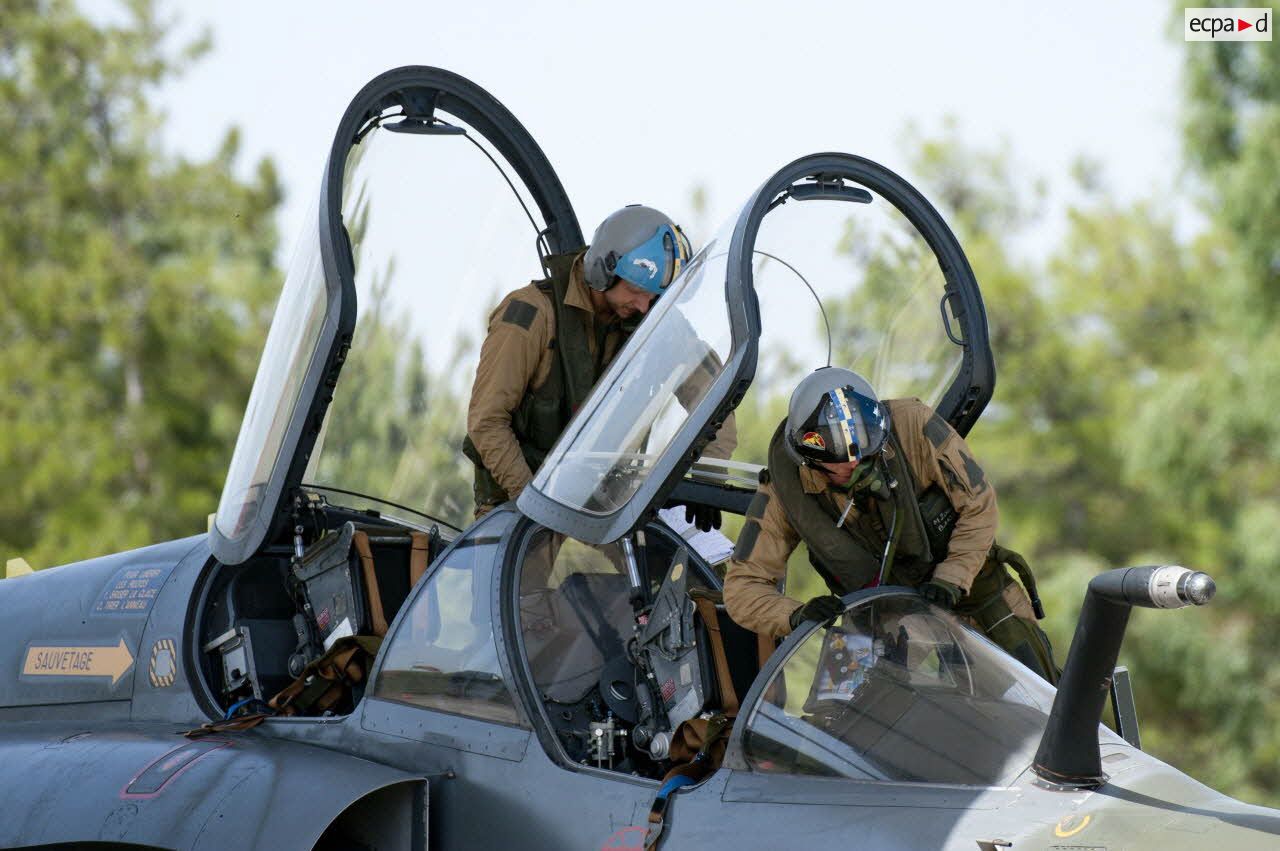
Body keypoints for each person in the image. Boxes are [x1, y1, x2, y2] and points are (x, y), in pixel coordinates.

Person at [723, 367, 1057, 683]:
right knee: (838, 724)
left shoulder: (914, 426)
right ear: (807, 459)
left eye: (863, 456)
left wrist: (951, 578)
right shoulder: (784, 488)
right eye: (838, 464)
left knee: (1040, 705)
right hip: (876, 622)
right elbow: (742, 588)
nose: (853, 466)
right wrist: (796, 615)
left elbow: (979, 506)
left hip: (972, 594)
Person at [464, 204, 736, 520]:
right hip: (520, 500)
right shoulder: (533, 316)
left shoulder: (654, 325)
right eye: (636, 290)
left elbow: (716, 401)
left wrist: (707, 484)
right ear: (603, 270)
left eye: (654, 298)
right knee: (519, 567)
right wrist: (535, 507)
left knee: (688, 565)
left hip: (608, 507)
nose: (645, 307)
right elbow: (487, 422)